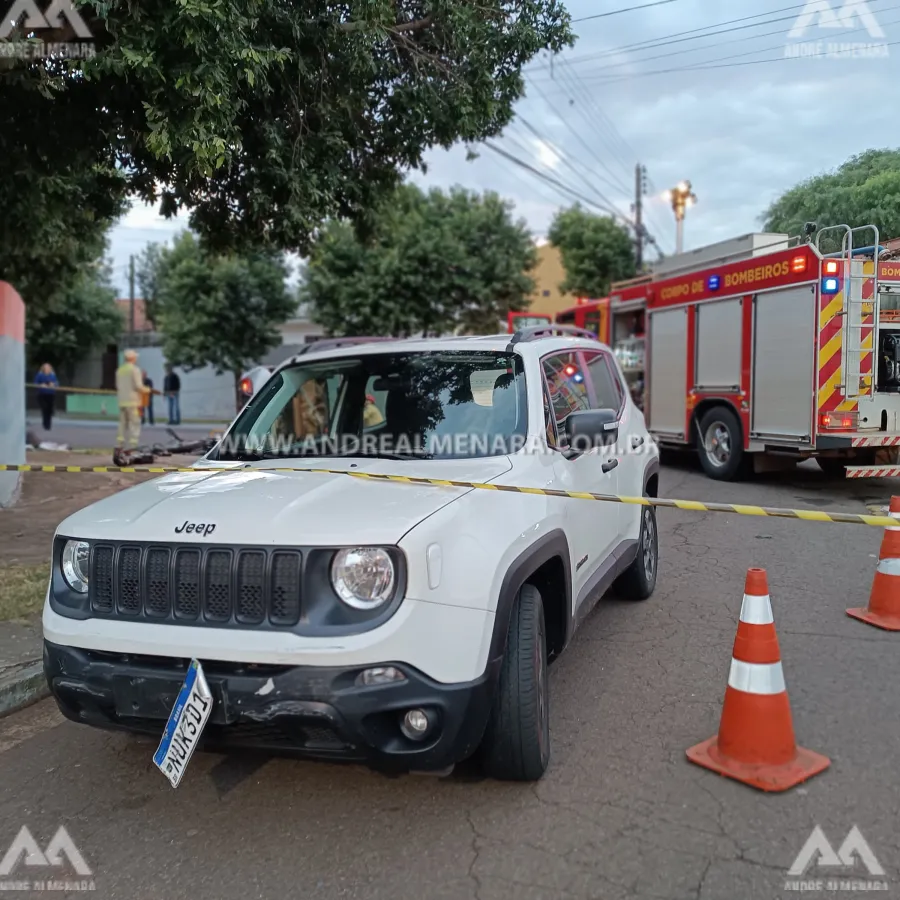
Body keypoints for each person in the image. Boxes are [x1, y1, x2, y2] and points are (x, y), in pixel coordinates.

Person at [115, 349, 144, 454]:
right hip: (133, 402)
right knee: (134, 424)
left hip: (122, 401)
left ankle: (119, 445)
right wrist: (147, 390)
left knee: (122, 424)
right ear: (133, 358)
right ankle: (133, 446)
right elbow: (138, 386)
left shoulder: (119, 370)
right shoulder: (135, 370)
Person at [34, 363, 58, 431]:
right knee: (44, 409)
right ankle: (45, 424)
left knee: (49, 410)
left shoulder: (52, 375)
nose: (47, 369)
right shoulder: (40, 375)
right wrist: (41, 385)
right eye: (46, 368)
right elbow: (35, 383)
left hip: (51, 394)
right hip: (42, 394)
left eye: (48, 368)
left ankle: (49, 424)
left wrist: (53, 384)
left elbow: (56, 383)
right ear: (43, 369)